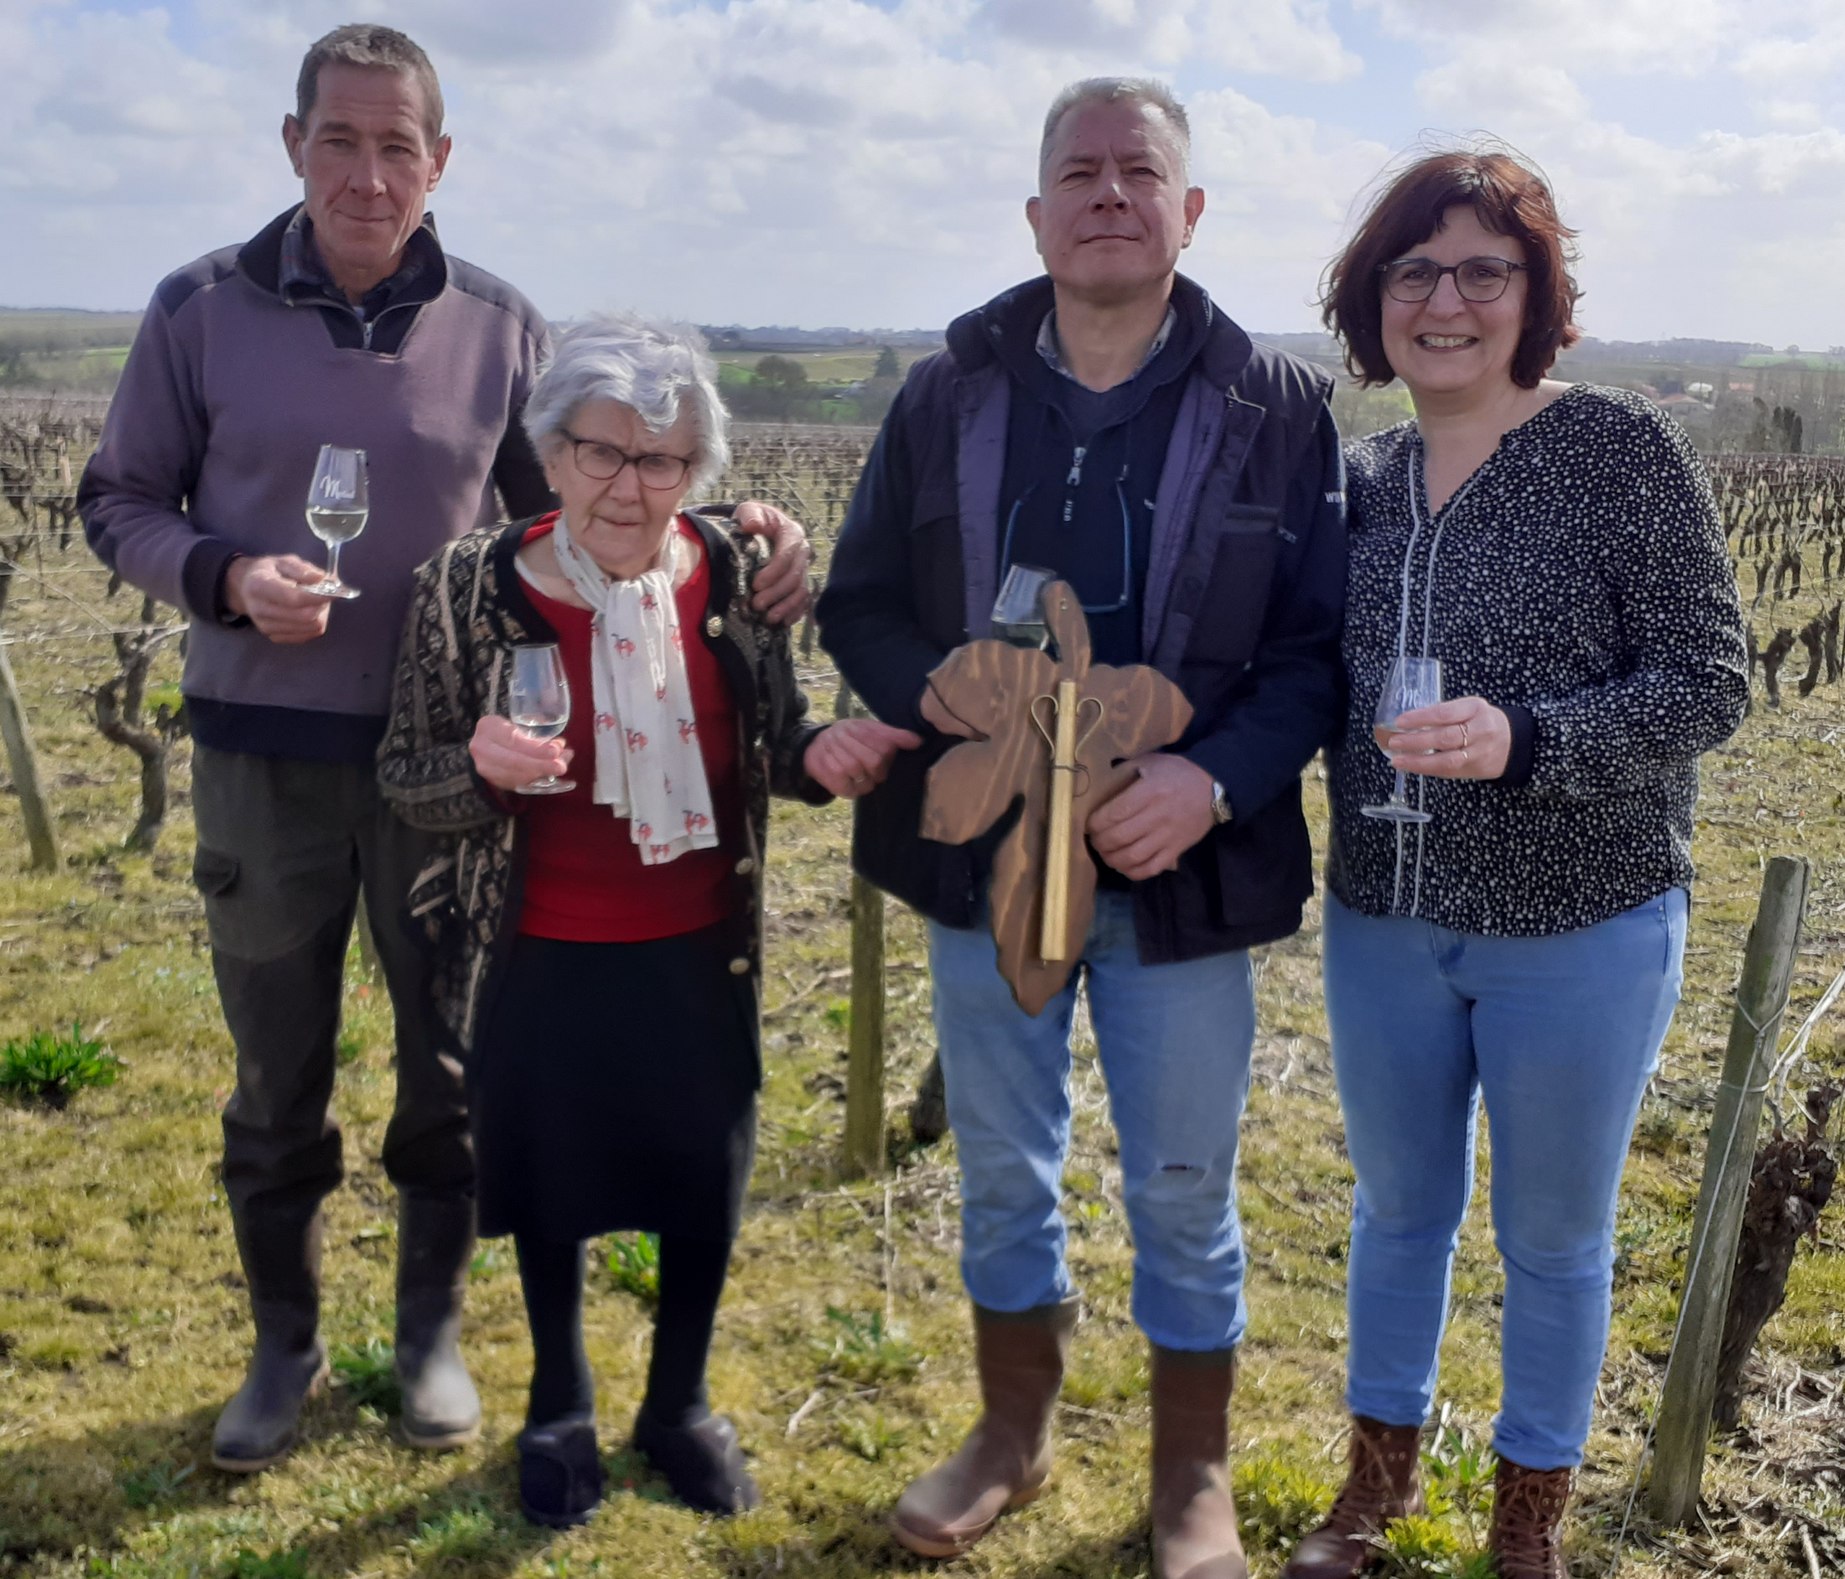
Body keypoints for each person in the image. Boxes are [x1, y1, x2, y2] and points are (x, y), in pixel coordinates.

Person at [76, 23, 811, 1474]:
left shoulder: (501, 321)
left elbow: (594, 512)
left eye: (395, 143)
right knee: (277, 1071)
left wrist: (741, 534)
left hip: (467, 769)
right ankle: (283, 1343)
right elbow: (117, 501)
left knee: (455, 1067)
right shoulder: (198, 307)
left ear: (440, 157)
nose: (366, 170)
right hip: (262, 753)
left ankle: (429, 1336)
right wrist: (225, 577)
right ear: (293, 145)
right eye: (338, 140)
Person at [818, 77, 1346, 1579]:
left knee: (1184, 1177)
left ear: (1191, 210)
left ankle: (1193, 1476)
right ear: (1035, 211)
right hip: (982, 856)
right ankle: (1013, 1429)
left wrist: (1213, 777)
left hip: (1183, 865)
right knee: (1001, 1161)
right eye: (1080, 172)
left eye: (1141, 173)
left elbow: (1313, 647)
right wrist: (937, 687)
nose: (1109, 194)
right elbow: (858, 599)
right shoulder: (947, 396)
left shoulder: (1277, 408)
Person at [1282, 150, 1747, 1579]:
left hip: (1579, 920)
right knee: (1397, 1208)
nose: (1447, 299)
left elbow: (1710, 680)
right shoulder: (1356, 478)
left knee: (1552, 1234)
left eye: (1486, 269)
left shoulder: (1613, 449)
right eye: (1414, 270)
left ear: (1534, 293)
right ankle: (1370, 1490)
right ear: (1374, 301)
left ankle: (1524, 1522)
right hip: (1385, 916)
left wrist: (1528, 734)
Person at [377, 311, 916, 1527]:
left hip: (696, 942)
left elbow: (771, 744)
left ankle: (678, 1403)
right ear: (551, 451)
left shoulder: (732, 573)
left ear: (697, 472)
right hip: (536, 947)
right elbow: (405, 774)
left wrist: (820, 751)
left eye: (663, 459)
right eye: (601, 451)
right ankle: (558, 1404)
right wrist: (478, 767)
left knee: (700, 1177)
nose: (630, 486)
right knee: (546, 1172)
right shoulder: (466, 588)